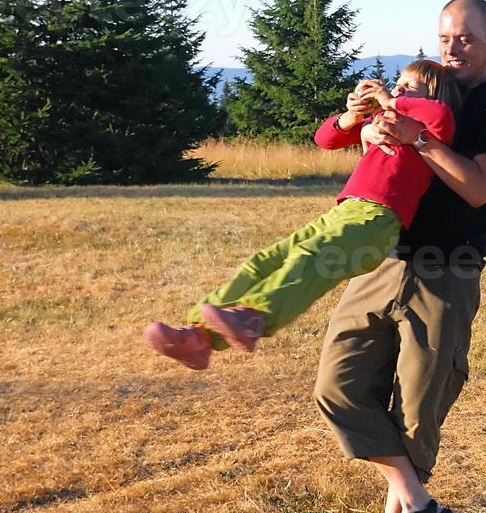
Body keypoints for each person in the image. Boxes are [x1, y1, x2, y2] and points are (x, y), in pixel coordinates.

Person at [314, 0, 486, 513]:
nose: (454, 49)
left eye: (467, 39)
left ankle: (407, 502)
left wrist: (420, 139)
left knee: (418, 406)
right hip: (384, 261)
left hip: (447, 271)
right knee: (337, 386)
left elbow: (479, 186)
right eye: (445, 39)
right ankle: (417, 502)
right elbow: (362, 151)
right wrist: (361, 121)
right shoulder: (422, 91)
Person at [141, 60, 462, 370]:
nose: (399, 90)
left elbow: (439, 113)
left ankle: (256, 319)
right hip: (345, 211)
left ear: (434, 95)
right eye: (397, 84)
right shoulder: (385, 121)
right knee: (266, 260)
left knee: (311, 257)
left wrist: (388, 99)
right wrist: (353, 116)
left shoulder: (431, 125)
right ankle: (199, 337)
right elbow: (325, 138)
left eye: (409, 87)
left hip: (377, 221)